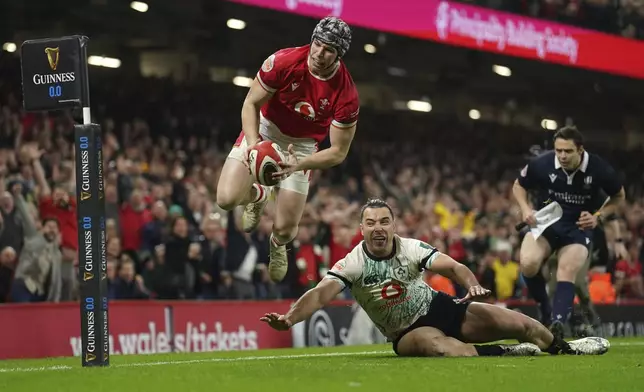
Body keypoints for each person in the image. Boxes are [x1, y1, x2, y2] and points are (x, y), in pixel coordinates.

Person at [261, 198, 609, 357]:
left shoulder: (411, 247)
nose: (378, 228)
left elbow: (454, 267)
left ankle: (564, 349)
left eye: (384, 222)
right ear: (362, 228)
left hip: (444, 308)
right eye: (371, 223)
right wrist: (291, 317)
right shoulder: (352, 263)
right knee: (453, 351)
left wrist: (470, 283)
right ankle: (512, 352)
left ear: (393, 225)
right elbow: (320, 294)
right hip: (409, 332)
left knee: (525, 323)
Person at [216, 16, 359, 283]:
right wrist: (253, 144)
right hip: (265, 128)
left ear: (339, 54)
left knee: (284, 228)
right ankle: (258, 195)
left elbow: (338, 152)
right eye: (317, 43)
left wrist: (298, 165)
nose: (319, 52)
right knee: (225, 199)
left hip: (302, 147)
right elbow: (250, 104)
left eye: (329, 49)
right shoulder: (283, 61)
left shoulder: (346, 94)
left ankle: (277, 244)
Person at [513, 126, 625, 339]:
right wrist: (526, 209)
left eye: (568, 151)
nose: (562, 156)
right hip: (546, 223)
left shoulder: (598, 168)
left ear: (580, 150)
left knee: (567, 270)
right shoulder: (543, 163)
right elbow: (519, 186)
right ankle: (545, 310)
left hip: (577, 228)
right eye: (559, 150)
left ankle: (557, 325)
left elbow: (619, 196)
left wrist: (598, 216)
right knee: (528, 264)